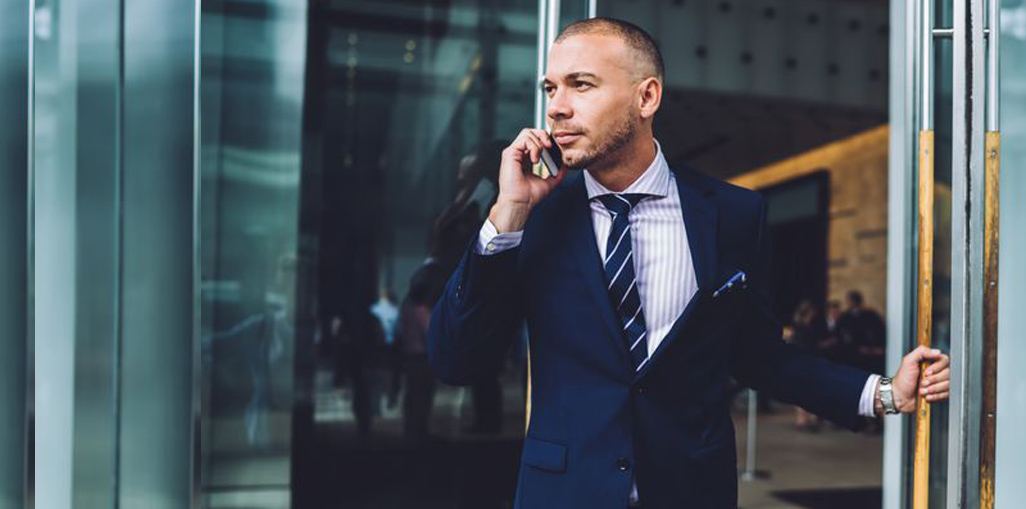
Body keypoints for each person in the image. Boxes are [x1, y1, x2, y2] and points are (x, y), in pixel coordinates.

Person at [427, 17, 951, 508]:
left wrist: (883, 392)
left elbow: (757, 355)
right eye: (551, 89)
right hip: (565, 493)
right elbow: (456, 361)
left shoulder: (733, 214)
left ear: (646, 96)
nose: (557, 107)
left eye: (580, 85)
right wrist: (508, 213)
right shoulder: (530, 217)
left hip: (691, 490)